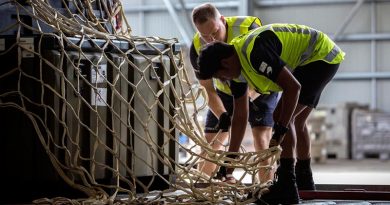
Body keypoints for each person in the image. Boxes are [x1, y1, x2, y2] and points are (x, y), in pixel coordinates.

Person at [197, 23, 345, 204]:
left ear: (226, 63)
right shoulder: (237, 65)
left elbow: (293, 88)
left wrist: (280, 128)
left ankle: (287, 186)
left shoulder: (255, 53)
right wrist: (229, 166)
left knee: (282, 118)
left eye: (221, 76)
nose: (224, 80)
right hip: (317, 57)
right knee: (297, 123)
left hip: (320, 57)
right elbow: (240, 118)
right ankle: (305, 183)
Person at [190, 3, 279, 184]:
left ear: (222, 20)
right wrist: (222, 114)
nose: (211, 41)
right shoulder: (197, 48)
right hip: (224, 92)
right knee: (212, 142)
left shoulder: (248, 30)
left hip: (260, 86)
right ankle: (202, 191)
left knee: (262, 141)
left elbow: (263, 69)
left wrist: (244, 102)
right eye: (204, 36)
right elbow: (208, 88)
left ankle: (266, 190)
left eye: (215, 33)